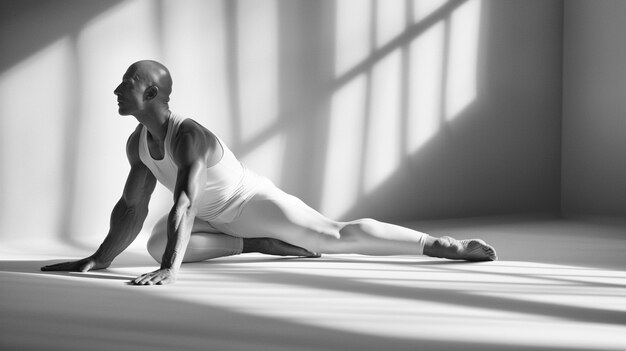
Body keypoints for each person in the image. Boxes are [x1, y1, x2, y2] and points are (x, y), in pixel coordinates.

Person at [41, 60, 497, 285]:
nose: (117, 90)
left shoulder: (188, 137)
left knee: (332, 237)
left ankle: (438, 245)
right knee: (158, 241)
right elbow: (131, 206)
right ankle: (254, 245)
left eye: (128, 84)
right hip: (214, 218)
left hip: (249, 202)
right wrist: (99, 259)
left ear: (153, 92)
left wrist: (169, 272)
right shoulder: (138, 143)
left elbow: (182, 200)